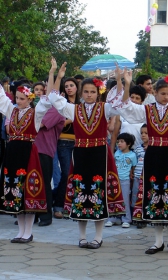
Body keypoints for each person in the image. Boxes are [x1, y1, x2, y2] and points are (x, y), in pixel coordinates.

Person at [107, 67, 168, 255]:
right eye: (162, 93)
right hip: (154, 155)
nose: (166, 97)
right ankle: (158, 241)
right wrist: (126, 83)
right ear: (155, 93)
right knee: (155, 195)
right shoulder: (147, 110)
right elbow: (127, 107)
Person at [42, 64, 125, 249]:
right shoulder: (73, 109)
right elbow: (54, 97)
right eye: (86, 91)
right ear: (81, 93)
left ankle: (98, 236)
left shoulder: (105, 109)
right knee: (81, 194)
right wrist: (56, 75)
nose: (89, 94)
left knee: (98, 193)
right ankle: (81, 236)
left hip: (99, 156)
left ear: (98, 92)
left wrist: (120, 80)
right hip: (80, 154)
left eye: (92, 91)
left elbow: (120, 100)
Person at [0, 82, 50, 243]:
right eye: (17, 98)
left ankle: (28, 232)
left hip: (28, 154)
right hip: (13, 154)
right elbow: (2, 97)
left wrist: (52, 76)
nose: (18, 101)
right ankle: (20, 231)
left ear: (29, 99)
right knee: (15, 192)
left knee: (28, 191)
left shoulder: (36, 113)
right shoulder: (11, 110)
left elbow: (46, 101)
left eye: (22, 98)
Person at [34, 58, 65, 226]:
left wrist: (53, 74)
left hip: (45, 150)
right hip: (32, 149)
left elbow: (39, 125)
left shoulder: (56, 110)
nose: (43, 92)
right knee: (32, 181)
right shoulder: (38, 107)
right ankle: (31, 213)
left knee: (45, 182)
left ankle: (45, 216)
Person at [53, 77, 80, 219]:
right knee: (66, 173)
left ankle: (74, 205)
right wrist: (75, 116)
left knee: (79, 174)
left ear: (77, 87)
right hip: (64, 141)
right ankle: (58, 206)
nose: (69, 88)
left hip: (81, 143)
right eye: (67, 86)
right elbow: (61, 123)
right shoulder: (62, 104)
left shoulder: (82, 103)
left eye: (72, 85)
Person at [105, 133, 137, 228]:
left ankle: (126, 219)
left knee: (125, 200)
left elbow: (133, 168)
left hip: (125, 180)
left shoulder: (132, 155)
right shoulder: (116, 153)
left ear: (129, 144)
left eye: (122, 142)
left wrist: (132, 177)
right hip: (115, 179)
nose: (119, 144)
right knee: (113, 198)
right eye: (118, 142)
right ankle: (113, 218)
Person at [110, 85, 146, 153]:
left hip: (140, 151)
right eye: (132, 97)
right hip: (123, 152)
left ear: (142, 101)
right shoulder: (121, 113)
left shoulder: (145, 114)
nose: (134, 100)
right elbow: (114, 135)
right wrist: (112, 153)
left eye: (137, 98)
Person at [132, 124, 149, 229]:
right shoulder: (138, 148)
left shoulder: (154, 148)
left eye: (146, 133)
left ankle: (145, 217)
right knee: (135, 196)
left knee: (146, 197)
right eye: (142, 133)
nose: (143, 135)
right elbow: (135, 162)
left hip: (147, 178)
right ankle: (137, 217)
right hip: (138, 176)